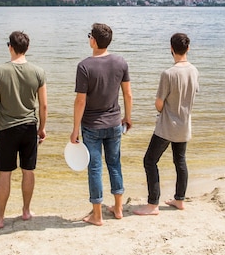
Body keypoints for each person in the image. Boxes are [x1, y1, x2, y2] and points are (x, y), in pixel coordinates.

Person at [70, 23, 133, 226]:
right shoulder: (120, 62)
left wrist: (74, 129)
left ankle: (97, 215)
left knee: (95, 168)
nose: (89, 38)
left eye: (89, 36)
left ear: (94, 40)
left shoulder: (85, 66)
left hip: (92, 126)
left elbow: (81, 101)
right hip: (115, 123)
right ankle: (118, 209)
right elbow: (128, 94)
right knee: (114, 164)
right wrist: (128, 118)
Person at [0, 31, 48, 228]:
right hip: (30, 127)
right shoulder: (38, 72)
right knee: (28, 171)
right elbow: (44, 106)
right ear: (27, 48)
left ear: (10, 47)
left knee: (5, 173)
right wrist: (42, 128)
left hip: (7, 129)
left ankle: (0, 218)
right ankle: (26, 211)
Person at [134, 33, 199, 216]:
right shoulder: (194, 71)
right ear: (188, 48)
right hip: (185, 124)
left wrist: (161, 110)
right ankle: (179, 200)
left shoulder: (168, 74)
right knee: (180, 161)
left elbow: (159, 102)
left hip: (167, 125)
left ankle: (153, 204)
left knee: (149, 161)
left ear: (171, 48)